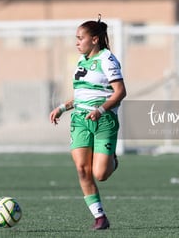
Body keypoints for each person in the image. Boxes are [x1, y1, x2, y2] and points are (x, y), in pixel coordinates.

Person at [49, 15, 127, 230]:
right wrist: (63, 108)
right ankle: (100, 217)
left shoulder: (107, 59)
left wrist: (101, 110)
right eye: (76, 38)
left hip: (104, 120)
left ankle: (112, 159)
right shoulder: (81, 62)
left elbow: (120, 92)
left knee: (100, 174)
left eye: (80, 38)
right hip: (80, 121)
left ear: (94, 39)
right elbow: (84, 96)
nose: (77, 42)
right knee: (83, 170)